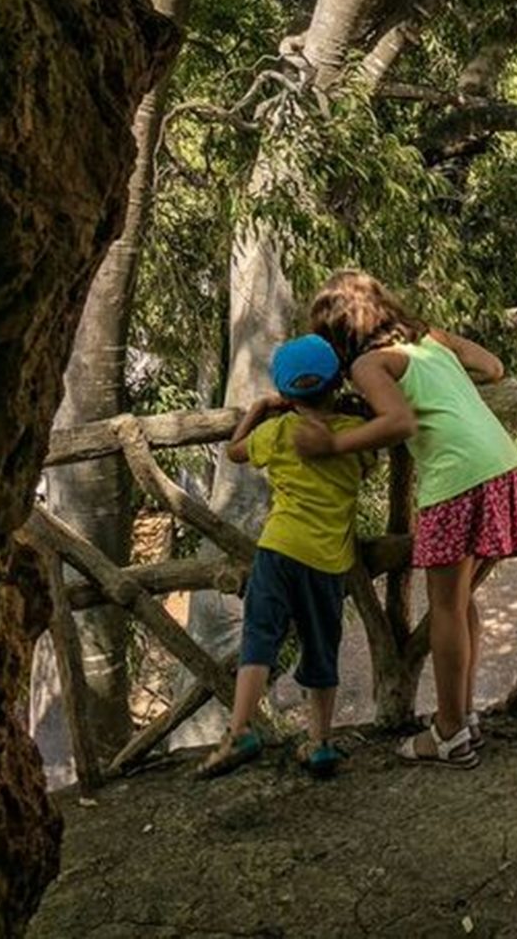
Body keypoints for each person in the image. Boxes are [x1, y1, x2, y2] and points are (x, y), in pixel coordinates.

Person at [302, 269, 517, 770]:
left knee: (445, 606)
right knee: (461, 598)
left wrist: (333, 443)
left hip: (456, 476)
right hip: (500, 463)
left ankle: (447, 732)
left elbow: (398, 422)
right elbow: (492, 367)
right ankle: (462, 717)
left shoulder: (369, 365)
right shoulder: (430, 341)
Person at [197, 333, 373, 781]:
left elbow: (234, 452)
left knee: (260, 634)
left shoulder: (277, 432)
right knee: (321, 647)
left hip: (278, 549)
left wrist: (257, 412)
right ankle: (319, 743)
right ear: (336, 385)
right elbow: (371, 463)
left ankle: (239, 730)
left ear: (287, 396)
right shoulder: (355, 437)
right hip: (328, 562)